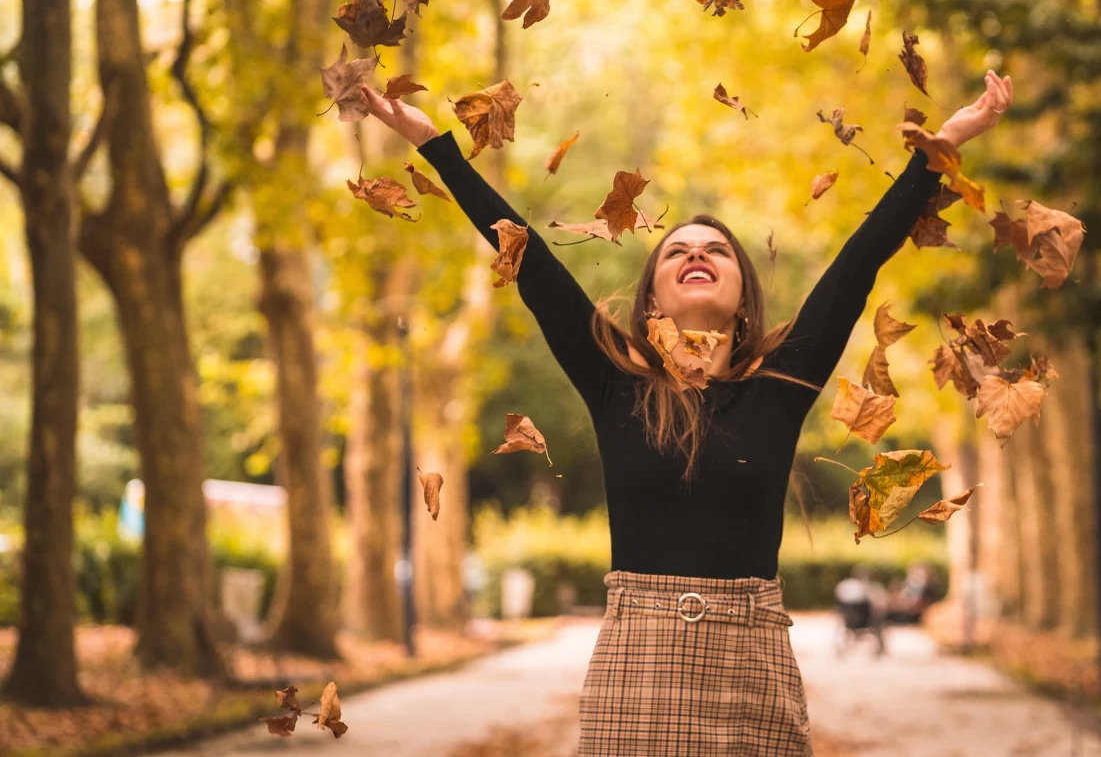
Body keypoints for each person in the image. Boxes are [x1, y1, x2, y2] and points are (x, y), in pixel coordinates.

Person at [361, 70, 1012, 757]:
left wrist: (937, 152)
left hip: (753, 675)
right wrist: (437, 147)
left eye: (715, 251)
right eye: (677, 251)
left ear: (743, 297)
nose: (696, 253)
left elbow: (858, 262)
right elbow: (529, 258)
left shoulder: (781, 386)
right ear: (652, 303)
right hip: (634, 675)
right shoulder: (613, 383)